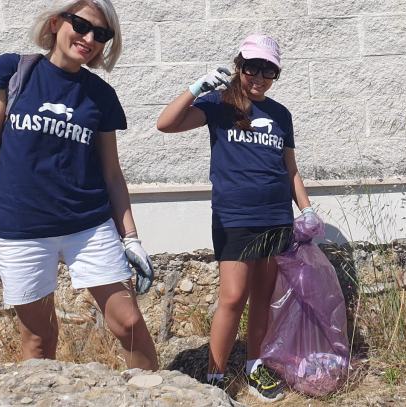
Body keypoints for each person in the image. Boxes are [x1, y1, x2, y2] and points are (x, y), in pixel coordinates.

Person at [0, 0, 158, 370]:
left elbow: (112, 174)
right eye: (81, 25)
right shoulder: (11, 70)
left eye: (101, 34)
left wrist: (132, 238)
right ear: (57, 21)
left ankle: (156, 394)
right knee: (40, 340)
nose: (89, 38)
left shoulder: (100, 96)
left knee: (130, 323)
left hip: (88, 225)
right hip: (20, 228)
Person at [156, 34, 314, 402]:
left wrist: (306, 210)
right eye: (253, 67)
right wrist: (194, 88)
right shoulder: (218, 103)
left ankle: (255, 366)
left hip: (276, 216)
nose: (259, 77)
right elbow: (165, 124)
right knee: (232, 296)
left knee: (262, 296)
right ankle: (214, 377)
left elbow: (290, 169)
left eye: (269, 70)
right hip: (235, 217)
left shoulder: (280, 114)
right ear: (239, 66)